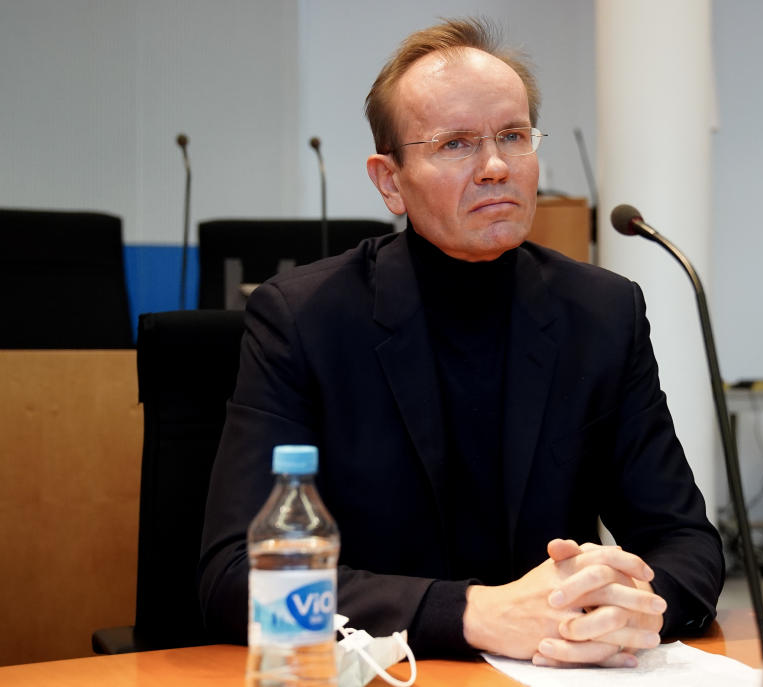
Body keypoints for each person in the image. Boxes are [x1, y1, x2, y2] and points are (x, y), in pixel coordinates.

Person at [199, 17, 723, 668]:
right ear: (389, 179)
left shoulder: (602, 313)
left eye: (513, 135)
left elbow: (686, 544)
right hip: (392, 672)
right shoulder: (305, 319)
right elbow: (234, 576)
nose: (497, 166)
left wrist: (634, 605)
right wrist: (474, 612)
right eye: (456, 144)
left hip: (553, 671)